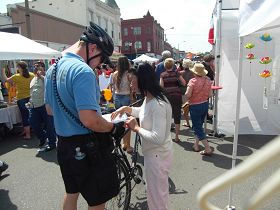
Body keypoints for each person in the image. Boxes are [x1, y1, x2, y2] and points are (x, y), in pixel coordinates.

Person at [44, 22, 125, 210]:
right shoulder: (83, 71)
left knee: (72, 193)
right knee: (97, 201)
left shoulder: (52, 69)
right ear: (93, 47)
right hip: (86, 146)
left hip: (63, 144)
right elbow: (90, 120)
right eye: (101, 57)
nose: (100, 63)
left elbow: (50, 110)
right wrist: (112, 127)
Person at [112, 63, 173, 210]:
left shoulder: (157, 103)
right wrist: (128, 109)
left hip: (157, 156)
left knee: (157, 197)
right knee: (156, 195)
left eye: (133, 80)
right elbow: (144, 112)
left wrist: (136, 128)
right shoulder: (151, 98)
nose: (131, 84)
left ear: (143, 80)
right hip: (155, 155)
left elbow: (157, 137)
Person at [1, 61, 34, 139]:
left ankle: (27, 134)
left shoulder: (16, 76)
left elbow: (6, 79)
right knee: (30, 114)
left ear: (20, 68)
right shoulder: (32, 75)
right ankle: (27, 131)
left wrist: (2, 70)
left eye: (18, 67)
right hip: (30, 98)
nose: (17, 68)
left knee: (24, 116)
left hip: (21, 98)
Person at [185, 63, 213, 155]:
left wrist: (187, 97)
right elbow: (210, 95)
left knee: (197, 127)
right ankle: (196, 145)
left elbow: (188, 95)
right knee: (199, 126)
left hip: (195, 106)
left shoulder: (192, 81)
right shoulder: (208, 81)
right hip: (205, 104)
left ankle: (207, 148)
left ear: (194, 72)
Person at [29, 61, 57, 151]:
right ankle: (43, 137)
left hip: (44, 105)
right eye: (34, 66)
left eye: (38, 66)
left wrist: (41, 75)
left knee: (49, 125)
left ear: (43, 68)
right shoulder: (33, 78)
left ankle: (52, 143)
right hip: (34, 105)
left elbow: (49, 83)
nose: (36, 68)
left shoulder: (46, 77)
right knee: (33, 123)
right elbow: (32, 91)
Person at [160, 58, 186, 142]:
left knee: (166, 116)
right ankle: (177, 137)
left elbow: (161, 86)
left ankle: (167, 137)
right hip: (177, 96)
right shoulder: (176, 73)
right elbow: (184, 83)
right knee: (177, 115)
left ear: (165, 66)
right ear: (173, 65)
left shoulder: (162, 75)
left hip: (167, 97)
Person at [111, 56, 133, 153]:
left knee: (120, 122)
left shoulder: (115, 74)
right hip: (126, 97)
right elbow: (132, 88)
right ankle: (127, 145)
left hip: (117, 98)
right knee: (128, 122)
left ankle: (122, 143)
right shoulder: (129, 74)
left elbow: (112, 88)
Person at [179, 59, 194, 127]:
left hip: (183, 92)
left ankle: (188, 123)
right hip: (192, 92)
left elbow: (178, 83)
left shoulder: (180, 73)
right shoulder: (193, 73)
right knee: (192, 109)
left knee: (185, 109)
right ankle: (193, 123)